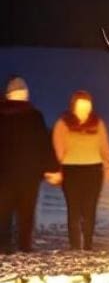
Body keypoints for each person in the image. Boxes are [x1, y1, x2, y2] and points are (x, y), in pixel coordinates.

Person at [51, 90, 109, 251]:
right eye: (81, 105)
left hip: (93, 171)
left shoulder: (97, 123)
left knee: (90, 209)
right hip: (71, 171)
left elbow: (104, 147)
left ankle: (87, 244)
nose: (84, 108)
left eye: (87, 105)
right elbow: (57, 146)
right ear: (74, 106)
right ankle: (74, 246)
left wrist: (108, 167)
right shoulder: (63, 123)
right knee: (74, 209)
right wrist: (58, 168)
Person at [0, 77, 57, 253]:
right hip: (29, 175)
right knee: (26, 213)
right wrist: (52, 168)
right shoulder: (34, 116)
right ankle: (25, 246)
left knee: (4, 212)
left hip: (5, 174)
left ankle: (4, 246)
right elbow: (44, 144)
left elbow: (43, 143)